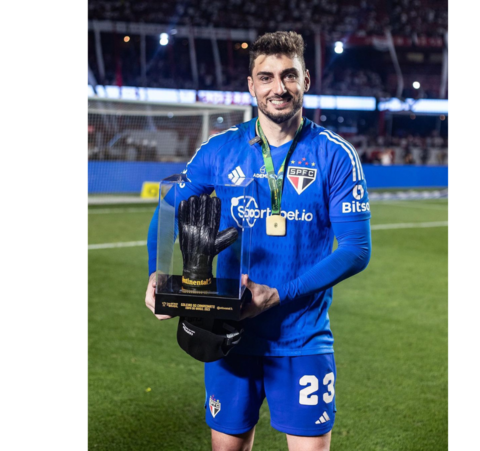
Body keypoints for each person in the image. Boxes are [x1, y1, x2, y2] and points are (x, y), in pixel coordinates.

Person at [144, 31, 372, 451]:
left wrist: (279, 295)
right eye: (266, 77)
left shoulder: (336, 155)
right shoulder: (220, 150)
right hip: (228, 334)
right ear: (251, 85)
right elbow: (167, 207)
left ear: (306, 80)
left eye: (289, 75)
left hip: (302, 338)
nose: (278, 87)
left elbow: (357, 250)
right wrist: (157, 275)